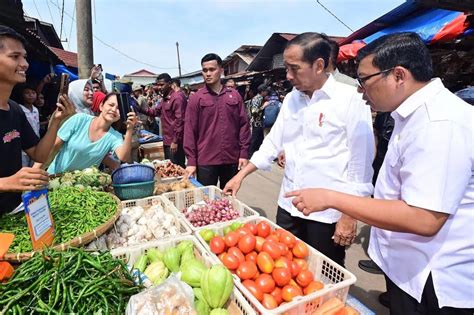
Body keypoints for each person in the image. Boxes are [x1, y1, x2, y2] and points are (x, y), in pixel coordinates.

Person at [286, 32, 473, 314]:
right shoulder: (412, 112)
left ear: (398, 75)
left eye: (364, 80)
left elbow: (424, 218)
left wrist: (332, 198)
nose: (360, 90)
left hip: (433, 281)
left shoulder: (439, 123)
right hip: (409, 268)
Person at [224, 33, 374, 267]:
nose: (288, 76)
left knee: (323, 273)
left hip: (326, 214)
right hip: (289, 206)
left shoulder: (350, 100)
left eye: (295, 68)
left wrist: (349, 215)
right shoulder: (292, 99)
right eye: (287, 68)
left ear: (319, 65)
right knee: (283, 267)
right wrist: (240, 175)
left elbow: (361, 165)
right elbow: (272, 142)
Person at [0, 25, 75, 214]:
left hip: (13, 211)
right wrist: (6, 183)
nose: (25, 64)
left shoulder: (15, 110)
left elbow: (39, 155)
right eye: (15, 57)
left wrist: (56, 121)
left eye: (24, 57)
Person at [184, 53, 251, 188]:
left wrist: (244, 153)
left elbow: (244, 125)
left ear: (221, 70)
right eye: (205, 70)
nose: (208, 73)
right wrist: (191, 161)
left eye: (212, 69)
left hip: (231, 158)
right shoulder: (196, 98)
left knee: (228, 199)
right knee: (206, 201)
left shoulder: (234, 96)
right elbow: (190, 130)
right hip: (206, 160)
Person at [47, 92, 138, 174]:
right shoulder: (80, 119)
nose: (114, 110)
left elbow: (124, 157)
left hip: (80, 188)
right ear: (101, 106)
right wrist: (38, 169)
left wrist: (129, 129)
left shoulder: (115, 136)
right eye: (111, 105)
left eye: (118, 108)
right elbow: (54, 147)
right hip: (55, 178)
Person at [138, 73, 186, 167]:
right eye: (158, 85)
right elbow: (154, 112)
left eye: (162, 85)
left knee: (177, 168)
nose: (159, 87)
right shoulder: (164, 99)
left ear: (170, 84)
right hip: (167, 140)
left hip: (175, 141)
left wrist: (175, 141)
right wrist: (139, 109)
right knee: (170, 166)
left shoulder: (177, 98)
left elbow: (180, 121)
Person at [16, 84, 40, 166]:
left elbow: (37, 126)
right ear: (22, 95)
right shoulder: (19, 109)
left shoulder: (35, 110)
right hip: (23, 147)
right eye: (27, 93)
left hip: (35, 144)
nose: (31, 95)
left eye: (33, 93)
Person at [248, 84, 269, 158]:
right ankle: (249, 155)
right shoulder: (257, 99)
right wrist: (264, 106)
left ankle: (259, 155)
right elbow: (254, 112)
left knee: (260, 140)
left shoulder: (261, 98)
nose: (267, 92)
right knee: (254, 139)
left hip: (259, 123)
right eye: (266, 91)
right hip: (256, 123)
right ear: (262, 91)